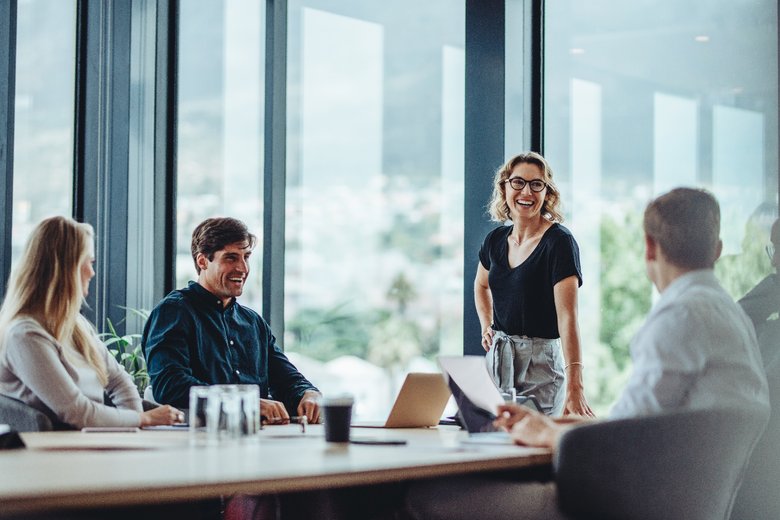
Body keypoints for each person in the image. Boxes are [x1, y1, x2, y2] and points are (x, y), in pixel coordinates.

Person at [405, 187, 770, 520]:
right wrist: (549, 424)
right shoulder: (730, 316)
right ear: (718, 250)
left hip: (619, 505)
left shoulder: (679, 317)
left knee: (425, 500)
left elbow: (623, 442)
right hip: (678, 503)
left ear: (649, 247)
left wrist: (546, 434)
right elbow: (642, 423)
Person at [0, 216, 183, 429]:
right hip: (52, 453)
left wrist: (134, 425)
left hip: (87, 442)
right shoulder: (25, 335)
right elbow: (75, 412)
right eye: (89, 262)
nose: (92, 272)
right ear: (67, 268)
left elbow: (118, 380)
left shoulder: (75, 325)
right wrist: (143, 419)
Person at [142, 216, 321, 424]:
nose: (243, 268)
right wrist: (246, 402)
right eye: (231, 258)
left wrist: (308, 393)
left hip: (258, 440)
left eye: (246, 257)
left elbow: (286, 378)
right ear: (202, 261)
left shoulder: (253, 322)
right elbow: (170, 385)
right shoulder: (174, 312)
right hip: (197, 442)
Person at [476, 152, 592, 417]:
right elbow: (481, 285)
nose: (526, 191)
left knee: (533, 451)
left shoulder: (559, 242)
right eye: (518, 182)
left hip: (541, 366)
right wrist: (486, 324)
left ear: (546, 192)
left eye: (536, 184)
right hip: (498, 360)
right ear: (504, 187)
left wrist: (576, 385)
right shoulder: (494, 240)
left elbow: (568, 317)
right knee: (493, 446)